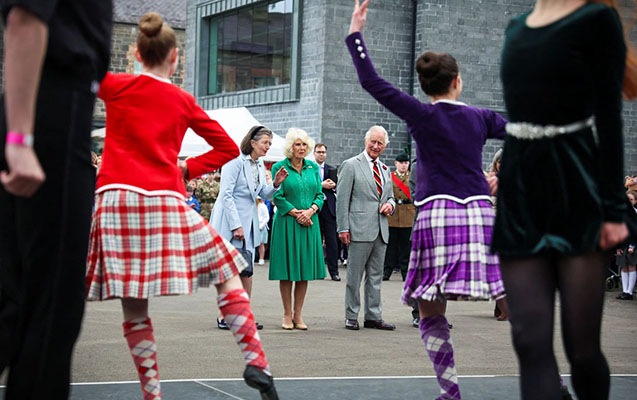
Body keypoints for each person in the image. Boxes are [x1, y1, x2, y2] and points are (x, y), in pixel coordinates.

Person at [84, 13, 278, 399]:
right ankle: (255, 359)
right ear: (176, 59)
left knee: (135, 303)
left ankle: (151, 392)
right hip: (164, 197)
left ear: (136, 54)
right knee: (228, 271)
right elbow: (226, 148)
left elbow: (80, 72)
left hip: (116, 198)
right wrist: (187, 168)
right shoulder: (182, 100)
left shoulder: (116, 86)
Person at [347, 1, 507, 397]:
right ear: (458, 82)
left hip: (437, 215)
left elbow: (371, 82)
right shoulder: (480, 117)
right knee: (510, 296)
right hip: (478, 212)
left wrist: (356, 35)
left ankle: (450, 390)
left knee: (431, 306)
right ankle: (552, 380)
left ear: (426, 86)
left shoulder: (421, 114)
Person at [495, 0, 637, 399]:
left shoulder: (596, 19)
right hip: (520, 195)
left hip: (575, 188)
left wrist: (614, 209)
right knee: (529, 341)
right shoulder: (516, 27)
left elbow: (609, 118)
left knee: (582, 348)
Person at [0, 1, 112, 398]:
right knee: (54, 304)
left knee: (16, 298)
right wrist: (20, 138)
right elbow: (25, 18)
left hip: (53, 114)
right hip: (53, 117)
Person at [210, 125, 288, 331]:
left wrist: (276, 184)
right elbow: (226, 195)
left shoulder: (259, 163)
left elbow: (261, 193)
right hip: (230, 221)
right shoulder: (234, 160)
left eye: (270, 143)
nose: (268, 146)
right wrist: (235, 225)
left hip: (249, 222)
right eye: (265, 142)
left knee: (246, 271)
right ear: (252, 143)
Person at [337, 125, 397, 332]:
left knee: (375, 276)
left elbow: (390, 196)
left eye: (380, 143)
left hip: (381, 230)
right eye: (373, 141)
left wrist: (391, 205)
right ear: (365, 141)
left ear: (385, 146)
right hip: (358, 229)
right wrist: (343, 228)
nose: (376, 146)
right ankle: (351, 315)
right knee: (354, 277)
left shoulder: (385, 169)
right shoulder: (350, 165)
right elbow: (342, 200)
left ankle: (373, 316)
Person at [269, 128, 325, 330]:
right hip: (287, 223)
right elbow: (277, 196)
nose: (301, 148)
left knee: (304, 271)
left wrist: (310, 211)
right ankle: (287, 314)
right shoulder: (279, 167)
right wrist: (297, 214)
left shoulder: (312, 167)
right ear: (290, 147)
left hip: (310, 223)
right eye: (297, 144)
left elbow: (320, 194)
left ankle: (298, 315)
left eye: (304, 144)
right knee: (287, 271)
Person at [383, 151, 416, 282]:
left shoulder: (411, 177)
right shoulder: (390, 177)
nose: (404, 165)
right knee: (390, 246)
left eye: (406, 163)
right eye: (401, 163)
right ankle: (387, 271)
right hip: (393, 214)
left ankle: (405, 272)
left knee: (405, 247)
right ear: (396, 163)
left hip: (408, 214)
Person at [314, 142, 341, 281]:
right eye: (319, 152)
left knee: (332, 242)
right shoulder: (309, 169)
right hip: (314, 208)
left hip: (329, 208)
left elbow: (338, 188)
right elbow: (308, 186)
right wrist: (321, 185)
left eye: (323, 152)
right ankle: (317, 271)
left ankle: (334, 272)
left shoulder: (332, 169)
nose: (321, 154)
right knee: (316, 241)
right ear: (314, 153)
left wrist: (334, 186)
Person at [616, 190, 637, 300]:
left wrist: (632, 246)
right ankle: (624, 291)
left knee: (631, 265)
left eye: (631, 199)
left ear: (635, 201)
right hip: (622, 242)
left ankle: (629, 292)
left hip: (632, 243)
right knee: (623, 266)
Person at [257, 196, 270, 265]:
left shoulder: (262, 206)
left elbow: (267, 217)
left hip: (261, 226)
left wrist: (261, 226)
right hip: (254, 225)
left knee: (261, 244)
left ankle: (261, 258)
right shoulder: (252, 206)